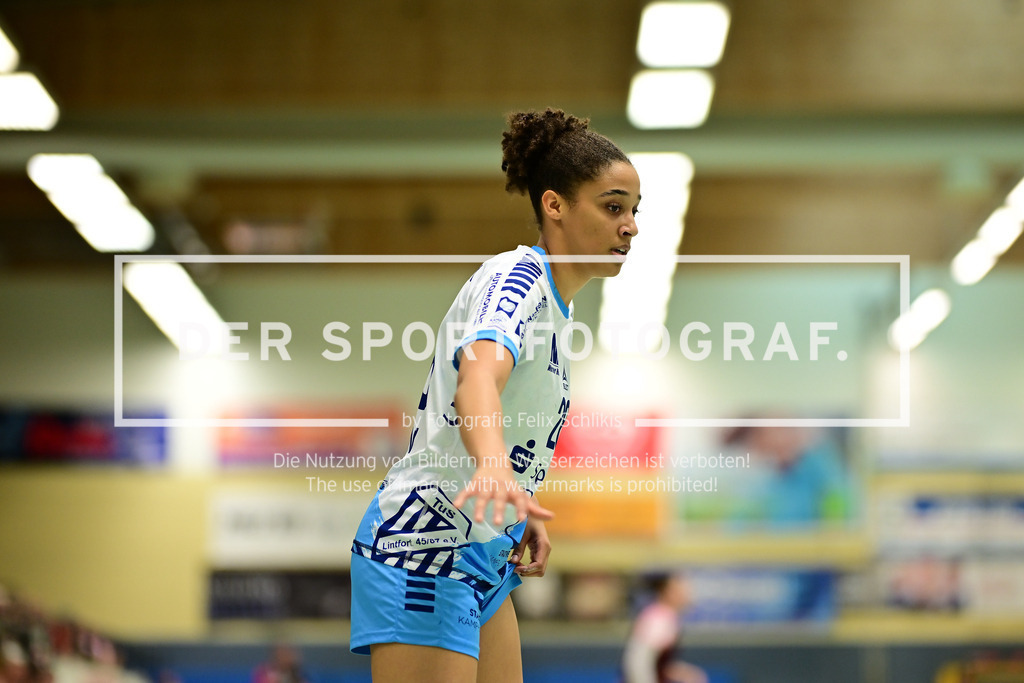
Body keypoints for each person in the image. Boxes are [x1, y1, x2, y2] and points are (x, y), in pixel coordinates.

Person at [349, 108, 642, 683]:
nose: (630, 226)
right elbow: (478, 378)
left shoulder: (557, 311)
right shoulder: (518, 279)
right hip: (424, 540)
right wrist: (491, 465)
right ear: (555, 205)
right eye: (614, 207)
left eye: (635, 211)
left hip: (483, 550)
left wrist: (516, 503)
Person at [622, 574, 707, 683]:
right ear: (667, 592)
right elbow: (638, 661)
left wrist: (683, 673)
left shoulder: (666, 615)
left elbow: (658, 664)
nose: (687, 594)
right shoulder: (658, 618)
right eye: (680, 589)